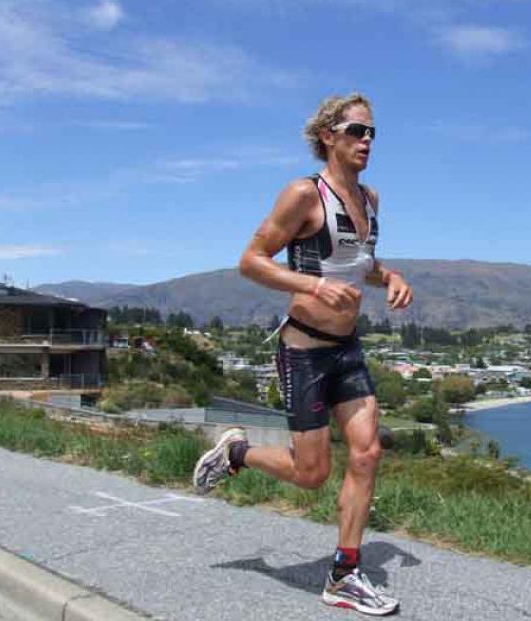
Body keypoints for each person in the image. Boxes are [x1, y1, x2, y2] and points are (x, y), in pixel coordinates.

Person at [193, 93, 413, 616]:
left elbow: (362, 265)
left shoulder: (370, 199)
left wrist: (394, 277)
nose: (366, 142)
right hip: (305, 353)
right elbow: (251, 261)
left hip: (348, 348)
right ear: (328, 137)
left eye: (372, 133)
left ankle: (345, 573)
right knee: (312, 474)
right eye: (357, 131)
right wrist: (312, 288)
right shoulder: (303, 194)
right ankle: (237, 453)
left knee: (367, 452)